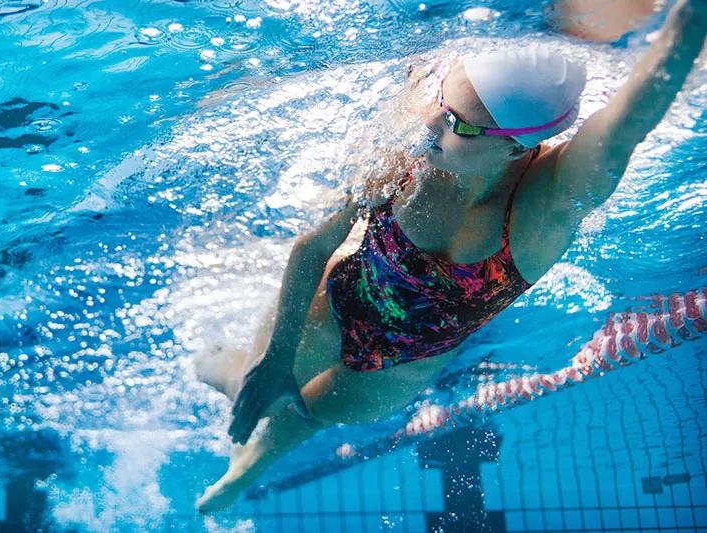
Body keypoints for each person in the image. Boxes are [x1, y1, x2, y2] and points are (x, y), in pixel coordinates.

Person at [196, 0, 707, 513]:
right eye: (441, 105)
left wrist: (688, 24)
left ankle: (247, 468)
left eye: (458, 126)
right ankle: (231, 372)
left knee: (303, 420)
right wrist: (278, 358)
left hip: (400, 368)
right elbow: (316, 242)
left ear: (515, 147)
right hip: (330, 305)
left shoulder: (544, 207)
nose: (430, 130)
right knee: (256, 380)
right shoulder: (412, 136)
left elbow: (630, 122)